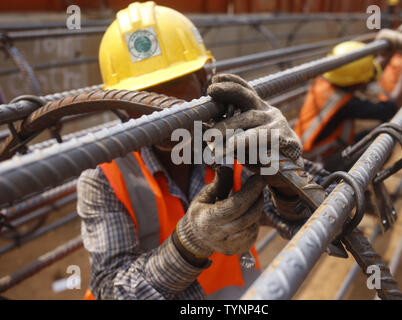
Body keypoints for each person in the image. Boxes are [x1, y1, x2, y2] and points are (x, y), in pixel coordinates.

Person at [78, 1, 309, 300]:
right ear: (118, 105)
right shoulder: (104, 176)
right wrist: (189, 244)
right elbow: (112, 290)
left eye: (173, 86)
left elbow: (316, 215)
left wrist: (286, 179)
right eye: (140, 97)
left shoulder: (231, 140)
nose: (159, 111)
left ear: (204, 79)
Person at [293, 41, 402, 171]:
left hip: (304, 152)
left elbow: (357, 74)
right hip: (313, 163)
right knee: (384, 142)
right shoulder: (347, 103)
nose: (367, 82)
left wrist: (388, 52)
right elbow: (389, 109)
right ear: (355, 84)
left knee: (374, 134)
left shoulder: (325, 82)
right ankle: (349, 186)